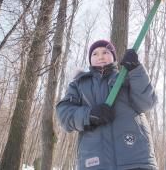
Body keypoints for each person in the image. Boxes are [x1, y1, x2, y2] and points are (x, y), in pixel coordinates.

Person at [56, 39, 158, 170]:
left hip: (135, 159)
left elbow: (147, 102)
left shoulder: (127, 77)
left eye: (105, 52)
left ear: (114, 57)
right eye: (95, 54)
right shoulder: (79, 84)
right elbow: (64, 114)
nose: (100, 56)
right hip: (94, 162)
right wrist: (89, 115)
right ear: (90, 59)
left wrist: (136, 69)